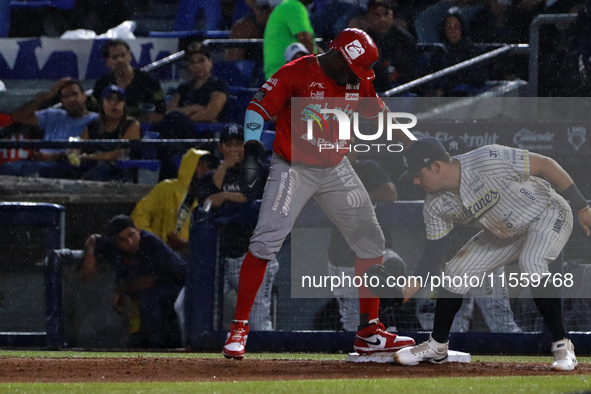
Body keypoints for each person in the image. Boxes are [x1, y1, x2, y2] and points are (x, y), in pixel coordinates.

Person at [222, 28, 417, 360]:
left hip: (335, 165)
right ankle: (239, 329)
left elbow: (377, 110)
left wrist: (409, 146)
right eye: (353, 69)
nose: (356, 78)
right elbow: (257, 108)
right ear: (338, 56)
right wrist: (253, 150)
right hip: (293, 166)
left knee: (371, 240)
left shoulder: (356, 78)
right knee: (264, 242)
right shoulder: (297, 72)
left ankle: (369, 332)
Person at [393, 137, 591, 371]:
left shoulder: (486, 159)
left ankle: (562, 345)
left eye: (418, 173)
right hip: (505, 232)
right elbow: (433, 255)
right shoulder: (435, 205)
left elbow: (546, 165)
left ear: (436, 166)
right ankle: (437, 346)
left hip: (546, 213)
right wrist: (402, 294)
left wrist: (582, 207)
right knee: (456, 272)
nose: (415, 181)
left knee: (532, 261)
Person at [194, 124, 279, 331]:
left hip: (252, 255)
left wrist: (223, 197)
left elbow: (251, 199)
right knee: (188, 309)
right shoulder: (210, 177)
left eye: (239, 144)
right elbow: (205, 199)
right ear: (221, 148)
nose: (235, 149)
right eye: (229, 145)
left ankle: (268, 362)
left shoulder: (262, 171)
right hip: (217, 259)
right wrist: (223, 167)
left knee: (258, 320)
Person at [81, 215, 187, 348]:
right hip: (152, 288)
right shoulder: (113, 245)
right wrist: (90, 254)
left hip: (182, 285)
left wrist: (121, 290)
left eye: (131, 234)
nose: (129, 241)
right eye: (122, 240)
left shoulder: (149, 243)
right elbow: (93, 239)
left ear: (137, 230)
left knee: (151, 300)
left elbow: (148, 281)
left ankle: (154, 348)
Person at [326, 150, 401, 331]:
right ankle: (360, 348)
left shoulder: (368, 167)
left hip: (376, 250)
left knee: (394, 264)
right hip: (343, 255)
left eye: (349, 145)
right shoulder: (327, 172)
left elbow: (391, 193)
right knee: (352, 321)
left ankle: (388, 323)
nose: (345, 151)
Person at [0, 78, 98, 178]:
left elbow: (82, 152)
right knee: (7, 168)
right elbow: (18, 117)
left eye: (74, 94)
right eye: (66, 96)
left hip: (64, 166)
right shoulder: (52, 114)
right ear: (62, 101)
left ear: (84, 96)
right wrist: (47, 96)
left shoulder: (95, 120)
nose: (71, 99)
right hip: (37, 163)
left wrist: (52, 157)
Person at [130, 148, 218, 254]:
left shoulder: (213, 196)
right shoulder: (167, 188)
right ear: (189, 165)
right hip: (162, 253)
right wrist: (154, 241)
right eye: (200, 164)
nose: (205, 169)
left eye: (208, 165)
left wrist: (187, 244)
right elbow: (140, 214)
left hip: (195, 256)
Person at [73, 85, 141, 182]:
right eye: (110, 100)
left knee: (100, 170)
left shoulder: (132, 124)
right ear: (102, 104)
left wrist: (92, 157)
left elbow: (121, 153)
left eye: (119, 100)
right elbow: (79, 145)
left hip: (121, 171)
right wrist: (74, 154)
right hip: (95, 167)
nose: (114, 104)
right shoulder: (94, 125)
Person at [349, 0, 420, 92]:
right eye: (376, 15)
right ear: (367, 18)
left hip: (402, 90)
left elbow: (409, 71)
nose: (382, 19)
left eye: (386, 14)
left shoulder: (404, 38)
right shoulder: (362, 40)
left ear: (392, 16)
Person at [89, 39, 166, 124]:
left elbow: (160, 113)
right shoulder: (102, 83)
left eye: (123, 55)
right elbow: (94, 112)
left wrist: (132, 125)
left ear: (130, 56)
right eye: (115, 57)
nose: (120, 60)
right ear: (107, 61)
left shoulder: (148, 81)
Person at [430, 8, 489, 97]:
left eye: (456, 27)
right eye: (449, 27)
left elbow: (478, 78)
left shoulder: (473, 51)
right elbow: (433, 78)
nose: (452, 32)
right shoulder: (440, 51)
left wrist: (452, 85)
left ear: (462, 28)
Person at [166, 48, 229, 124]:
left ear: (210, 62)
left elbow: (210, 114)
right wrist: (194, 108)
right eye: (192, 62)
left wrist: (181, 116)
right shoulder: (183, 88)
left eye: (201, 60)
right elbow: (169, 113)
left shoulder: (218, 85)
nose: (197, 65)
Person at [263, 0, 318, 79]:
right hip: (288, 77)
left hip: (276, 78)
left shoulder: (286, 6)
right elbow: (306, 41)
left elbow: (311, 45)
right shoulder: (294, 6)